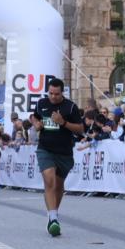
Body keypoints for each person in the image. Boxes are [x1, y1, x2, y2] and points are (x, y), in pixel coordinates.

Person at [30, 78, 85, 236]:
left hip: (65, 152)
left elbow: (80, 129)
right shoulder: (42, 103)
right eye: (51, 93)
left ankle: (53, 213)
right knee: (50, 180)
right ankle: (53, 219)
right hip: (45, 149)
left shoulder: (70, 107)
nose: (53, 97)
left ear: (62, 92)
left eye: (57, 94)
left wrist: (63, 123)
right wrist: (36, 124)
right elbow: (34, 117)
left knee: (59, 186)